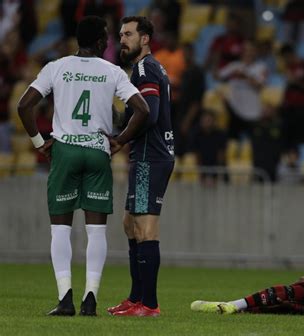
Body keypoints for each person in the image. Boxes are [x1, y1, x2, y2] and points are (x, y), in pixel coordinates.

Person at [17, 16, 150, 316]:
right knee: (96, 231)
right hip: (96, 152)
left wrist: (40, 143)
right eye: (106, 36)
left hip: (65, 150)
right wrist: (120, 139)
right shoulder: (113, 71)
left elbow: (24, 105)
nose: (109, 41)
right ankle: (90, 298)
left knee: (60, 230)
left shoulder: (57, 67)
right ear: (101, 41)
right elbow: (142, 109)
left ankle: (65, 299)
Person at [107, 16, 175, 317]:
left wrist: (120, 139)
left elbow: (149, 113)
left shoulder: (146, 69)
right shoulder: (143, 69)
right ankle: (136, 299)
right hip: (146, 154)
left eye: (129, 34)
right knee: (130, 225)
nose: (123, 39)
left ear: (145, 39)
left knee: (145, 228)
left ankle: (149, 304)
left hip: (151, 155)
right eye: (121, 34)